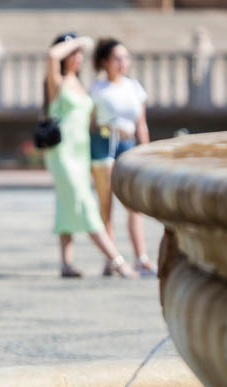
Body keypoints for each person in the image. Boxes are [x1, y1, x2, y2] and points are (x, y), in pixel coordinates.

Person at [43, 33, 137, 279]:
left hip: (81, 152)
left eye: (79, 54)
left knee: (66, 204)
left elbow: (91, 122)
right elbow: (52, 55)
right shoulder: (57, 82)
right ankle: (117, 260)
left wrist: (112, 129)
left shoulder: (81, 85)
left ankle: (66, 263)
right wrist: (78, 41)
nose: (77, 57)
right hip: (62, 153)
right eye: (72, 54)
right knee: (85, 204)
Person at [89, 38, 157, 277]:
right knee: (106, 205)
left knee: (133, 204)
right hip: (104, 143)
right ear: (105, 62)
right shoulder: (97, 89)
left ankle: (141, 257)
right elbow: (90, 123)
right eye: (117, 58)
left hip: (127, 144)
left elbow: (142, 124)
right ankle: (113, 259)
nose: (122, 63)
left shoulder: (134, 87)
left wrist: (147, 153)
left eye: (125, 58)